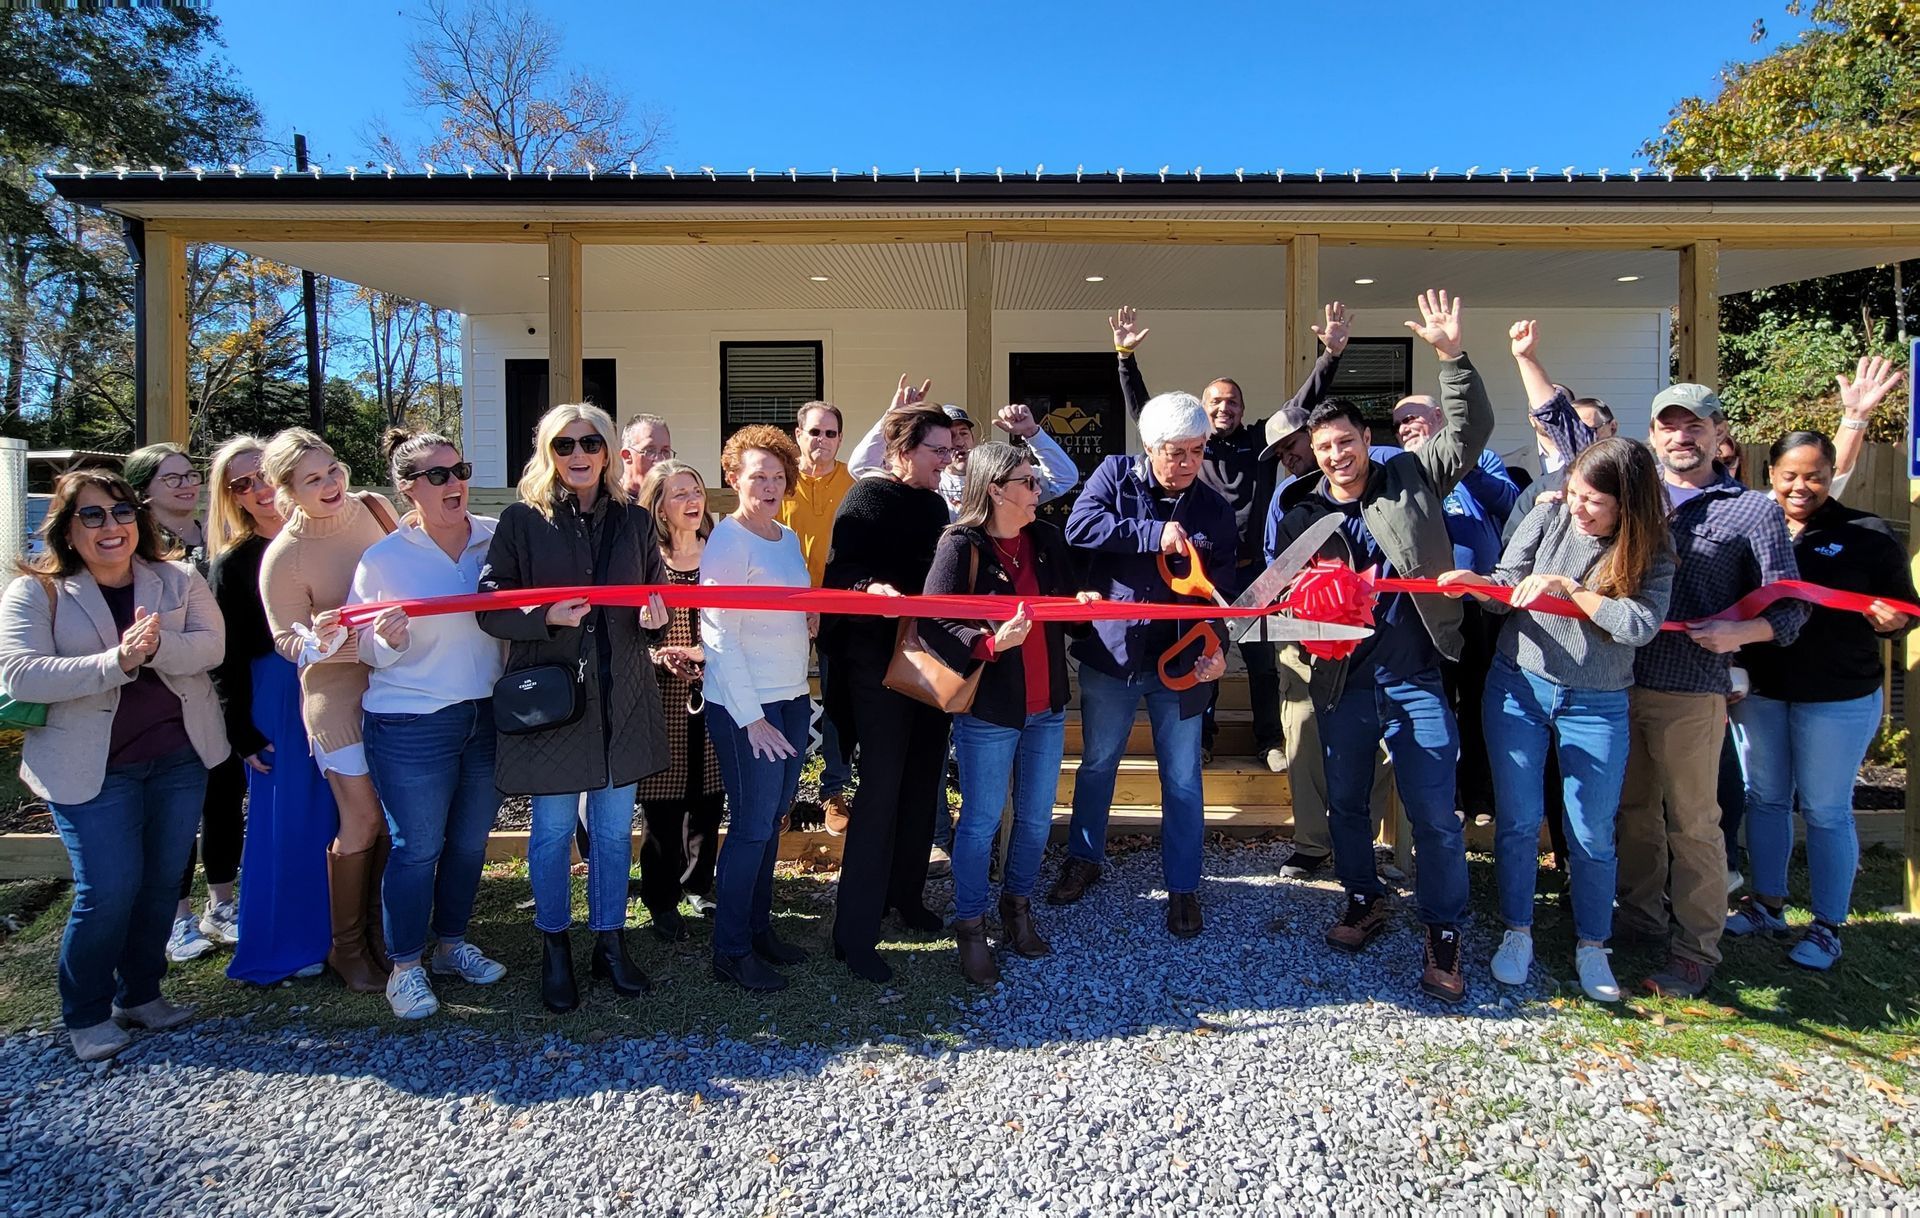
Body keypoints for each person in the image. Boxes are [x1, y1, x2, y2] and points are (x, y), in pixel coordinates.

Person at [1268, 289, 1494, 1004]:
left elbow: (1471, 429)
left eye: (1346, 443)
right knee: (1345, 805)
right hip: (1339, 681)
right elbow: (1273, 595)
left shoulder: (1413, 476)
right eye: (1324, 447)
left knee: (1432, 808)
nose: (1335, 455)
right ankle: (1363, 898)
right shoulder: (1300, 506)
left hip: (1415, 672)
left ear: (1367, 442)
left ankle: (1444, 930)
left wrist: (1452, 356)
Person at [0, 471, 228, 1061]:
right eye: (93, 516)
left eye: (122, 513)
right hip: (88, 767)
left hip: (178, 758)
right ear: (66, 529)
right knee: (108, 890)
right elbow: (20, 673)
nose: (112, 527)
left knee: (159, 885)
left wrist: (155, 649)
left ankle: (142, 995)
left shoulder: (176, 577)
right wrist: (116, 661)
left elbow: (211, 648)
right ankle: (85, 1013)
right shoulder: (37, 591)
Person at [1438, 438, 1675, 1002]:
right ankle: (1516, 931)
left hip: (1599, 701)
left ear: (1628, 504)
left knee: (1591, 831)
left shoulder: (1655, 552)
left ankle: (1594, 944)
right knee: (1517, 822)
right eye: (1574, 494)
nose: (1578, 508)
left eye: (1594, 501)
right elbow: (1506, 590)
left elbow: (1637, 624)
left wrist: (1571, 591)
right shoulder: (1547, 515)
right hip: (1519, 685)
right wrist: (1478, 587)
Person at [478, 403, 671, 1014]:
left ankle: (609, 943)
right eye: (565, 445)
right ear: (548, 452)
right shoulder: (520, 520)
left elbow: (651, 595)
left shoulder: (635, 521)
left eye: (591, 442)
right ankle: (554, 947)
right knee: (554, 831)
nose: (579, 454)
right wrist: (543, 616)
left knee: (614, 833)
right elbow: (489, 605)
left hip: (623, 696)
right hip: (556, 703)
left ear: (609, 451)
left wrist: (654, 614)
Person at [1617, 383, 1808, 999]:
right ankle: (1640, 921)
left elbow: (1792, 607)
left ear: (1718, 433)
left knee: (1695, 824)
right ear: (1652, 436)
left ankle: (1697, 948)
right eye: (1668, 426)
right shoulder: (1635, 502)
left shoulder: (1752, 509)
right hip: (1619, 682)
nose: (1681, 437)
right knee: (1633, 814)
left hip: (1692, 691)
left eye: (1693, 426)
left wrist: (1741, 632)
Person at [1114, 302, 1350, 771]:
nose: (1225, 407)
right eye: (1216, 401)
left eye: (1233, 401)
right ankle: (1203, 740)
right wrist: (1125, 358)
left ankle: (1269, 742)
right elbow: (1147, 412)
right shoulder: (1189, 447)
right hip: (1204, 575)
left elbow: (1300, 407)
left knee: (1263, 666)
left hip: (1256, 575)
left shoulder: (1260, 444)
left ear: (1243, 410)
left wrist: (1331, 354)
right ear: (1202, 409)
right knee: (1204, 654)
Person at [1724, 430, 1916, 970]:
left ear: (1833, 475)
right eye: (1789, 476)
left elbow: (1902, 613)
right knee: (1763, 797)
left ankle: (1829, 925)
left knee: (1826, 810)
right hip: (1762, 691)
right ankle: (1767, 904)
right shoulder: (1753, 530)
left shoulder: (1869, 534)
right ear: (1771, 477)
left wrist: (1893, 622)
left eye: (1814, 476)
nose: (1801, 487)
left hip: (1838, 695)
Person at [1048, 391, 1233, 936]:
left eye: (1197, 452)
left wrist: (1218, 648)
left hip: (1183, 662)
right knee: (1099, 763)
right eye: (1175, 453)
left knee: (1182, 778)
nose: (1187, 464)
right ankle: (1084, 859)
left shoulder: (1214, 507)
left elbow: (1222, 588)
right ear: (1149, 448)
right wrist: (1155, 533)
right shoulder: (1113, 476)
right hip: (1114, 656)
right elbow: (1078, 529)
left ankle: (1183, 885)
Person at [923, 442, 1099, 984]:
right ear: (995, 489)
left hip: (1046, 707)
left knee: (1036, 817)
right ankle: (971, 928)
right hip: (991, 710)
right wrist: (990, 643)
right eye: (1027, 481)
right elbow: (933, 620)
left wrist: (1083, 606)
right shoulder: (961, 544)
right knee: (978, 823)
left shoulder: (1046, 539)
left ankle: (1017, 910)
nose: (1037, 489)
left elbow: (1067, 612)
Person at [349, 430, 508, 1020]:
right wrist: (386, 642)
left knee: (469, 845)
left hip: (486, 714)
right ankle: (406, 966)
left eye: (459, 469)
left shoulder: (496, 539)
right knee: (417, 848)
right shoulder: (384, 558)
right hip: (411, 721)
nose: (454, 483)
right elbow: (363, 647)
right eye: (437, 475)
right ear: (408, 488)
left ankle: (451, 945)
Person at [258, 429, 398, 995]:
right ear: (286, 491)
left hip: (397, 681)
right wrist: (316, 642)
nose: (331, 484)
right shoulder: (283, 558)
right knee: (360, 818)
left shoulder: (374, 509)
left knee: (395, 816)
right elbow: (284, 639)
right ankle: (347, 948)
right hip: (336, 696)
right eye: (312, 480)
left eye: (332, 469)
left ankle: (388, 936)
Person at [821, 404, 956, 982]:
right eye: (937, 451)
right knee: (880, 792)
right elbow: (839, 574)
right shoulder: (867, 499)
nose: (947, 461)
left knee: (924, 782)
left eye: (951, 451)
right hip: (875, 666)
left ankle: (906, 897)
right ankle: (854, 933)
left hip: (927, 662)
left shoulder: (935, 504)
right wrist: (868, 586)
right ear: (903, 452)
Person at [209, 438, 333, 988]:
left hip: (343, 682)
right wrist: (241, 729)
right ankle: (288, 941)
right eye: (242, 484)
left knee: (344, 814)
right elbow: (227, 657)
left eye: (264, 475)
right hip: (278, 696)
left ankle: (347, 931)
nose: (259, 490)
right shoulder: (235, 563)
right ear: (231, 499)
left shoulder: (329, 530)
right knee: (288, 819)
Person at [701, 426, 815, 991]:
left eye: (777, 476)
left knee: (771, 822)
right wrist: (752, 718)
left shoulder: (786, 537)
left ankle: (759, 928)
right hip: (748, 707)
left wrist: (806, 621)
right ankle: (731, 949)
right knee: (749, 828)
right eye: (757, 476)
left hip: (793, 696)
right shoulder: (728, 540)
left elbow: (783, 610)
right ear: (734, 479)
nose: (769, 486)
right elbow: (718, 636)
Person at [124, 442, 244, 964]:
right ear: (143, 491)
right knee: (172, 809)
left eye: (189, 475)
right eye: (170, 479)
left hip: (218, 683)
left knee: (223, 791)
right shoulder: (135, 544)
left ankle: (222, 902)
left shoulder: (216, 534)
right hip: (161, 688)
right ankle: (175, 918)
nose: (185, 484)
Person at [1392, 388, 1519, 830]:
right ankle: (1448, 799)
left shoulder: (1480, 460)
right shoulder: (1399, 468)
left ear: (1440, 419)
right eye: (1399, 423)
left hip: (1480, 603)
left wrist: (1457, 461)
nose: (1406, 427)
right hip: (1425, 609)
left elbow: (1507, 503)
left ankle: (1481, 794)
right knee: (1437, 703)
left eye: (1414, 418)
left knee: (1482, 701)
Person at [633, 459, 726, 938]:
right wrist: (659, 655)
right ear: (660, 507)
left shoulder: (720, 554)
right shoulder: (647, 557)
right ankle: (661, 897)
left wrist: (708, 654)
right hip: (662, 693)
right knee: (663, 801)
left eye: (696, 490)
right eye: (679, 494)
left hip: (715, 687)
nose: (693, 500)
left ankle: (699, 886)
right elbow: (629, 632)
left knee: (709, 793)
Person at [780, 401, 858, 833]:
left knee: (837, 701)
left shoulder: (854, 481)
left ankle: (834, 791)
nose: (822, 441)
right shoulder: (781, 480)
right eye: (814, 432)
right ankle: (783, 796)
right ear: (799, 435)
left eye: (830, 434)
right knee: (784, 699)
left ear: (840, 439)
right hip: (786, 608)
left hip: (839, 607)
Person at [848, 377, 1081, 514]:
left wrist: (1032, 433)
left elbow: (1063, 478)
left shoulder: (998, 476)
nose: (958, 442)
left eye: (963, 433)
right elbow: (861, 468)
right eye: (948, 437)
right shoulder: (921, 477)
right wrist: (891, 417)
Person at [618, 414, 674, 499]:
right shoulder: (608, 505)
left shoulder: (669, 504)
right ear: (627, 456)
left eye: (665, 451)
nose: (660, 460)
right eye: (650, 451)